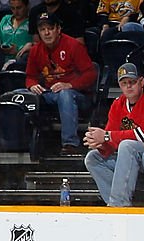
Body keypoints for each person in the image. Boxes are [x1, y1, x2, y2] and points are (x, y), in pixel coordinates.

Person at [84, 63, 144, 207]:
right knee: (92, 158)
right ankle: (119, 201)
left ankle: (118, 204)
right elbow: (111, 141)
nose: (128, 87)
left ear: (141, 81)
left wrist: (106, 136)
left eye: (132, 82)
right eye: (124, 83)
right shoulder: (118, 103)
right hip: (130, 159)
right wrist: (99, 143)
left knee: (126, 146)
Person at [24, 12, 95, 155]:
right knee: (23, 95)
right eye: (42, 29)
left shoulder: (73, 45)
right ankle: (23, 144)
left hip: (78, 95)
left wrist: (70, 85)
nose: (47, 33)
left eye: (50, 28)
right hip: (50, 93)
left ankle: (70, 144)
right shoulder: (35, 50)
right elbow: (30, 76)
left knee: (65, 94)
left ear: (58, 29)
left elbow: (91, 74)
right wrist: (32, 85)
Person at [0, 0, 32, 71]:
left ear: (26, 6)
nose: (16, 12)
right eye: (13, 8)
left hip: (22, 62)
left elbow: (38, 44)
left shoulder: (31, 22)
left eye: (19, 8)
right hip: (1, 59)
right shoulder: (5, 19)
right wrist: (1, 48)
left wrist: (18, 50)